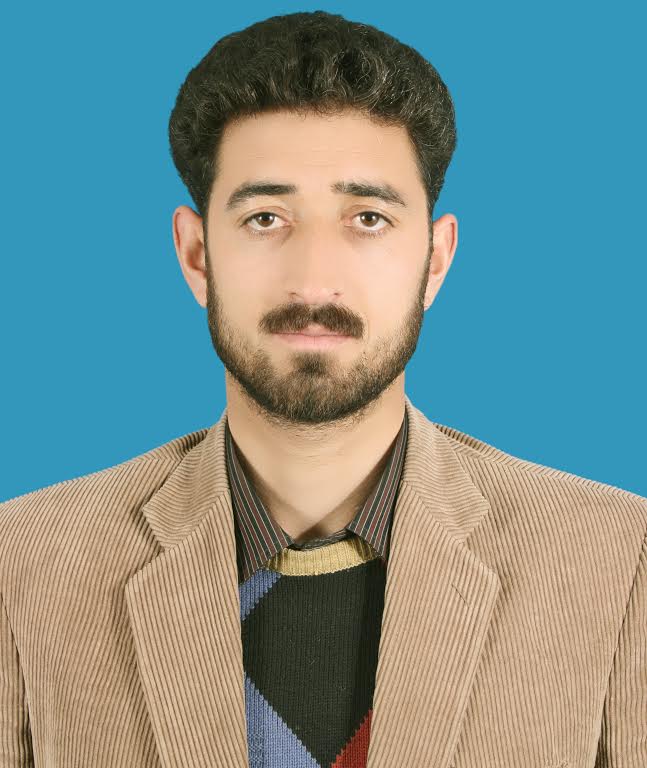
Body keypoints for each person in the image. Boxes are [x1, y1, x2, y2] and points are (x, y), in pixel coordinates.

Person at [1, 10, 645, 768]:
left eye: (367, 218)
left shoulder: (616, 559)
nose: (313, 279)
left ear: (435, 260)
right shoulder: (25, 563)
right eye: (265, 218)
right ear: (197, 255)